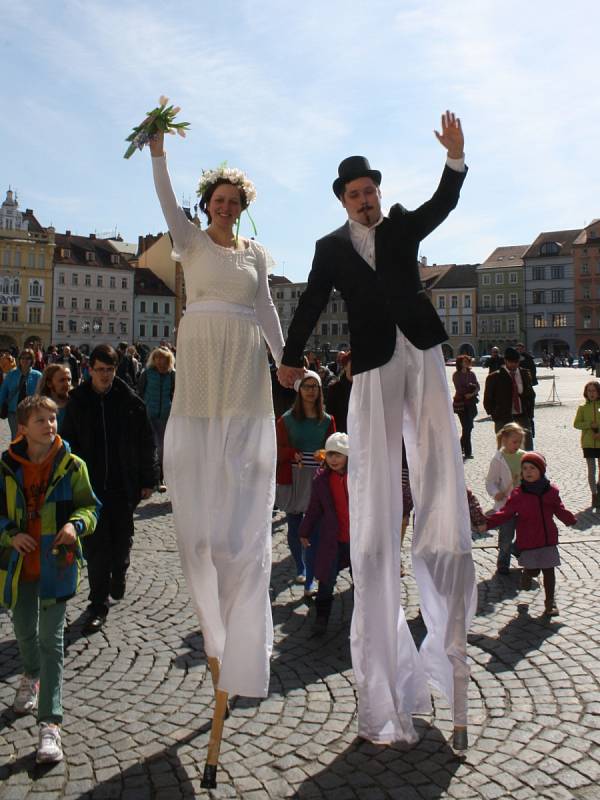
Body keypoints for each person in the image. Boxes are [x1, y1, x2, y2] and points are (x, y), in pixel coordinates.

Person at [278, 111, 476, 748]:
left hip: (420, 352)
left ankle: (449, 652)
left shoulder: (400, 228)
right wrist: (290, 355)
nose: (366, 200)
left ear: (379, 195)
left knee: (439, 469)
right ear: (343, 200)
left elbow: (444, 204)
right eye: (356, 194)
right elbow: (309, 302)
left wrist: (455, 158)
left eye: (372, 191)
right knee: (375, 499)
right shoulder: (330, 249)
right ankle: (385, 674)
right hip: (371, 365)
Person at [149, 126, 285, 702]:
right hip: (203, 357)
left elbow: (268, 308)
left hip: (246, 363)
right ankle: (207, 548)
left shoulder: (255, 254)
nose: (226, 207)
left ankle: (238, 563)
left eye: (234, 202)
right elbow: (163, 195)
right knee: (203, 460)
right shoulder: (189, 242)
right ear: (206, 204)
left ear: (243, 208)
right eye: (218, 200)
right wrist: (159, 153)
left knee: (242, 468)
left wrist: (287, 362)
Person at [0, 395, 98, 763]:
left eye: (53, 419)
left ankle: (50, 726)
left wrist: (76, 525)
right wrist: (11, 534)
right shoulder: (6, 467)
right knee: (25, 632)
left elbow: (90, 507)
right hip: (18, 567)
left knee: (51, 641)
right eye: (41, 420)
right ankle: (29, 674)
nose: (50, 425)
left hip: (57, 564)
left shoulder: (72, 466)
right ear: (23, 428)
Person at [61, 344, 158, 633]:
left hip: (123, 484)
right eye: (100, 370)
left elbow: (147, 441)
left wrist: (148, 479)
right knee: (96, 547)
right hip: (90, 488)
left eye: (110, 370)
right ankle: (98, 603)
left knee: (122, 539)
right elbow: (68, 443)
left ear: (116, 370)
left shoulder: (129, 401)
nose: (105, 375)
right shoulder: (78, 401)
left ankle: (120, 571)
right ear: (89, 369)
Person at [486, 452, 576, 617]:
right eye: (525, 468)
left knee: (549, 570)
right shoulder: (518, 495)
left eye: (532, 468)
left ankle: (550, 603)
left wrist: (570, 519)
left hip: (548, 539)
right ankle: (527, 575)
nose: (528, 471)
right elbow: (506, 513)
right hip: (528, 541)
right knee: (534, 571)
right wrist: (488, 523)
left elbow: (559, 509)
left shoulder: (551, 491)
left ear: (541, 470)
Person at [276, 371, 336, 595]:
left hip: (318, 479)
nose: (311, 391)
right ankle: (300, 566)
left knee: (316, 528)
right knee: (294, 524)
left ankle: (311, 572)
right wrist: (293, 453)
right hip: (293, 476)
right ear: (299, 390)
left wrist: (327, 456)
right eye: (307, 386)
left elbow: (334, 449)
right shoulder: (287, 420)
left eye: (315, 387)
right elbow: (277, 450)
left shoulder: (327, 420)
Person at [299, 432, 351, 635]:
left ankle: (364, 619)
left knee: (363, 581)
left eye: (339, 454)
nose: (334, 459)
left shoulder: (357, 477)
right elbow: (314, 508)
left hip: (356, 539)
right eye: (330, 454)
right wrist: (305, 530)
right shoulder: (321, 480)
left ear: (348, 456)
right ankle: (321, 618)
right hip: (333, 539)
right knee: (326, 579)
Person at [485, 422, 526, 575]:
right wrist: (496, 493)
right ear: (505, 440)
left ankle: (519, 551)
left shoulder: (523, 456)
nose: (517, 445)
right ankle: (503, 563)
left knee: (526, 532)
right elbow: (490, 482)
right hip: (506, 505)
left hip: (523, 503)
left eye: (519, 442)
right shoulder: (498, 459)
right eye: (514, 441)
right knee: (506, 536)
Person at [137, 347, 176, 493]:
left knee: (164, 448)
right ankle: (155, 479)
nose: (161, 363)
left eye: (164, 360)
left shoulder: (172, 375)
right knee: (154, 447)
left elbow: (175, 393)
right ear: (154, 360)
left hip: (165, 417)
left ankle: (161, 477)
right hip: (148, 416)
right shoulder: (147, 374)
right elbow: (139, 393)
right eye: (158, 359)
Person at [483, 346, 535, 450]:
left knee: (527, 449)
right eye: (511, 362)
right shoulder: (494, 377)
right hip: (503, 418)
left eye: (516, 362)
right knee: (505, 451)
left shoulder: (524, 373)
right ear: (505, 361)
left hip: (523, 416)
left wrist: (530, 414)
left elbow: (531, 395)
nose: (514, 365)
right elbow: (488, 400)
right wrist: (495, 415)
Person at [0, 349, 42, 440]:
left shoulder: (38, 376)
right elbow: (3, 391)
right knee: (16, 437)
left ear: (32, 360)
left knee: (30, 438)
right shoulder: (12, 374)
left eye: (28, 358)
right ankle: (14, 453)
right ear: (19, 359)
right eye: (23, 358)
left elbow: (43, 394)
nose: (25, 360)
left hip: (31, 413)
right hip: (13, 412)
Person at [573, 381, 600, 508]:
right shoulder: (582, 407)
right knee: (591, 470)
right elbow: (576, 424)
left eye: (594, 390)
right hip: (588, 443)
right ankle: (594, 494)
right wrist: (589, 424)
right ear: (586, 392)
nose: (591, 393)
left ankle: (599, 489)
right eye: (589, 391)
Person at [452, 355, 479, 459]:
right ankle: (468, 452)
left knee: (469, 427)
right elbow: (459, 388)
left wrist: (472, 393)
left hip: (471, 403)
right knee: (466, 427)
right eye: (464, 361)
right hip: (461, 404)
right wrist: (469, 390)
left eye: (468, 361)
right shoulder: (456, 375)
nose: (466, 362)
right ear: (460, 363)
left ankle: (459, 448)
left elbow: (477, 387)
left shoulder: (471, 373)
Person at [36, 364, 72, 433]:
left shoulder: (77, 405)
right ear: (49, 383)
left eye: (69, 379)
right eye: (62, 380)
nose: (67, 384)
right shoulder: (39, 408)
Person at [325, 351, 352, 433]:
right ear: (345, 366)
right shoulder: (334, 388)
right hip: (341, 437)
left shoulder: (365, 388)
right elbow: (330, 416)